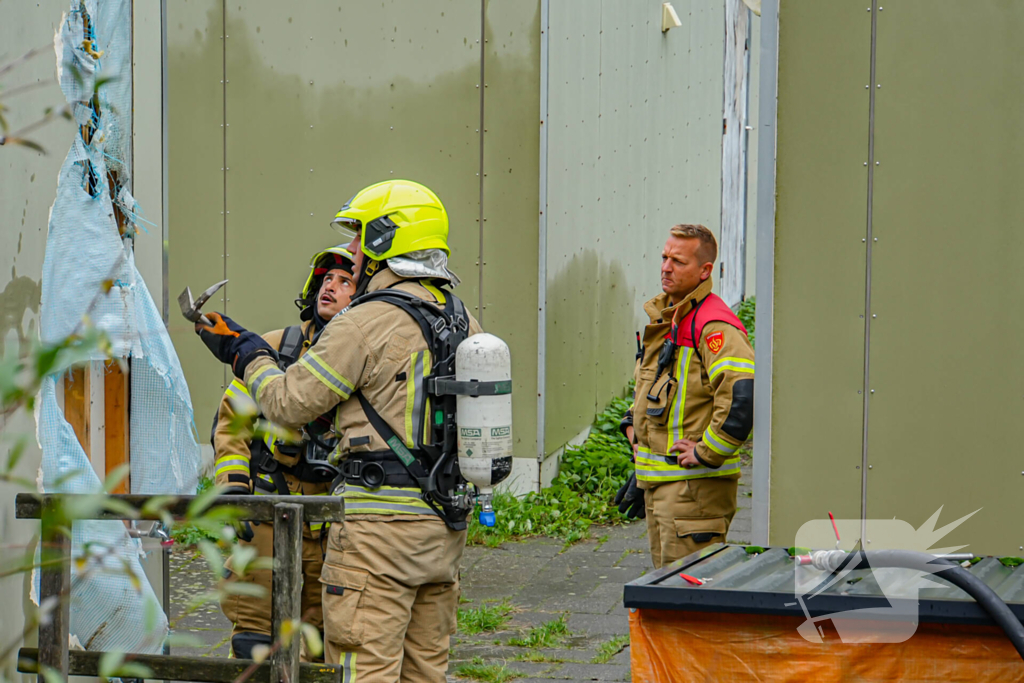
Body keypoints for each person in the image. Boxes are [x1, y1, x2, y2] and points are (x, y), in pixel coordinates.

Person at [194, 179, 482, 682]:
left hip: (377, 537)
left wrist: (247, 353)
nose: (351, 250)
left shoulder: (365, 320)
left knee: (363, 671)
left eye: (358, 236)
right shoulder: (461, 320)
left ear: (386, 239)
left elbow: (287, 403)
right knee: (424, 673)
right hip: (443, 529)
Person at [213, 246, 356, 659]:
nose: (331, 286)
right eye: (326, 279)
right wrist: (234, 488)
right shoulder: (279, 346)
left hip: (331, 516)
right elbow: (232, 419)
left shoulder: (364, 356)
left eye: (345, 281)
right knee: (254, 629)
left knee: (321, 634)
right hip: (269, 507)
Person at [615, 224, 754, 569]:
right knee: (667, 589)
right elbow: (656, 390)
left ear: (705, 270)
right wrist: (633, 429)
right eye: (665, 258)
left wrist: (707, 452)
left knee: (689, 592)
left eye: (678, 261)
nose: (666, 267)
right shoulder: (672, 317)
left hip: (694, 492)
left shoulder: (713, 326)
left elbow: (741, 398)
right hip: (664, 487)